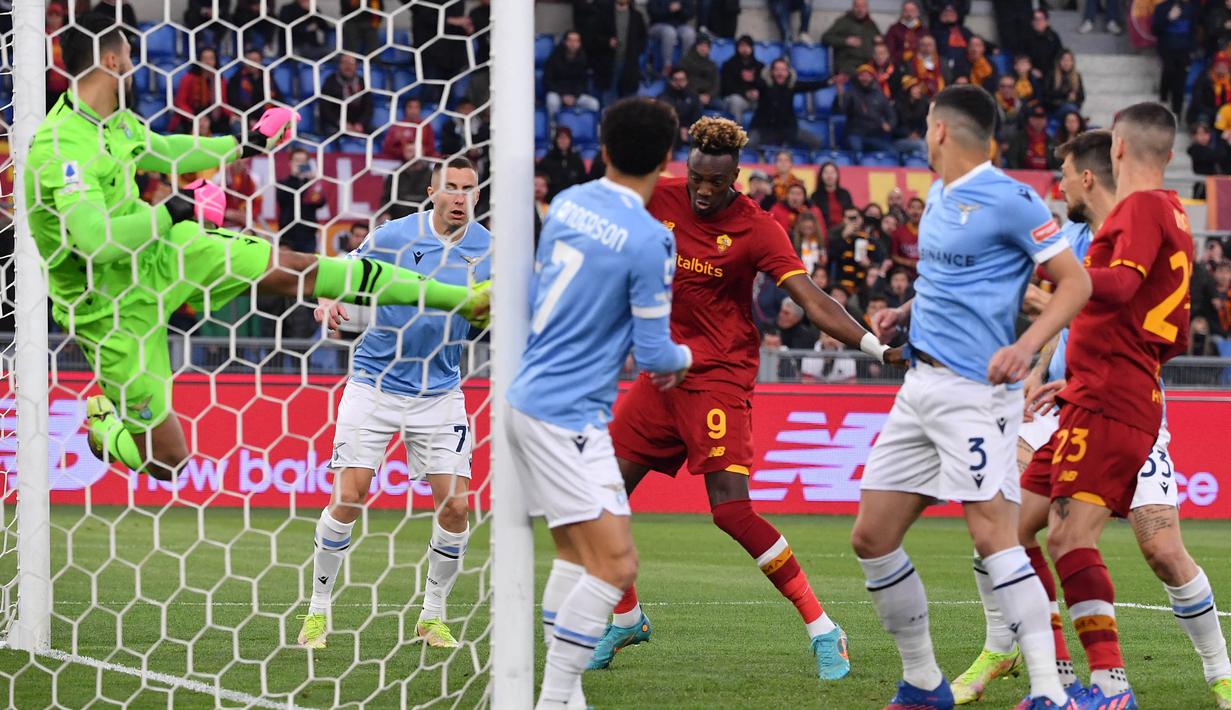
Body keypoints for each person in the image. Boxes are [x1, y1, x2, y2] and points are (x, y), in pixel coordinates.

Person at [29, 14, 489, 482]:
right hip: (108, 310)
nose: (134, 66)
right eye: (128, 57)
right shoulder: (61, 149)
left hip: (162, 255)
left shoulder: (117, 123)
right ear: (112, 61)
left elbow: (163, 151)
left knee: (298, 270)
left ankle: (467, 299)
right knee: (168, 460)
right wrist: (174, 210)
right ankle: (107, 431)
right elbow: (94, 241)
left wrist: (245, 143)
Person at [590, 116, 904, 678]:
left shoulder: (758, 228)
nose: (704, 192)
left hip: (718, 375)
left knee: (731, 510)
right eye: (697, 179)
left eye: (717, 182)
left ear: (737, 176)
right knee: (596, 494)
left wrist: (876, 349)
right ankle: (626, 615)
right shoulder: (658, 195)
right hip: (661, 374)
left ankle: (824, 628)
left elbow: (812, 300)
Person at [952, 128, 1231, 710]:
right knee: (1002, 522)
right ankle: (1032, 662)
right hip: (1071, 393)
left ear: (1090, 174)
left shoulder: (1139, 221)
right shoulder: (1079, 231)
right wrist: (1038, 361)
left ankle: (1213, 671)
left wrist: (1045, 298)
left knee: (1157, 547)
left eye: (1065, 176)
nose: (1057, 189)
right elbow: (1073, 312)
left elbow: (1111, 300)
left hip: (1119, 398)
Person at [850, 84, 1090, 710]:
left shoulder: (1013, 199)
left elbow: (1075, 282)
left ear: (939, 131)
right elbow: (943, 279)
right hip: (919, 386)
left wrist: (1028, 343)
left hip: (977, 395)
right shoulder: (938, 195)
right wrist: (902, 310)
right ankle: (925, 683)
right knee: (871, 536)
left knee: (994, 538)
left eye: (926, 125)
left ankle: (1048, 692)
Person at [506, 97, 691, 710]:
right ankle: (554, 698)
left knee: (573, 553)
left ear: (604, 149)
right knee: (616, 567)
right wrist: (686, 361)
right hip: (567, 416)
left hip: (528, 398)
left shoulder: (567, 202)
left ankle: (567, 694)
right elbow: (655, 352)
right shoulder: (648, 240)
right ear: (668, 161)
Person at [1031, 102, 1203, 710]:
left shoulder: (1139, 209)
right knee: (1011, 525)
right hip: (1095, 389)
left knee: (1070, 538)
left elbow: (1120, 286)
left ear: (1119, 149)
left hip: (1112, 398)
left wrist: (1055, 275)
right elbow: (1167, 327)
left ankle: (1108, 686)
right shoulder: (1175, 214)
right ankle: (1049, 676)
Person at [297, 157, 491, 651]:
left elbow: (495, 311)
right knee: (349, 496)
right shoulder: (392, 237)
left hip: (440, 391)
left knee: (456, 509)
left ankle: (432, 616)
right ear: (431, 190)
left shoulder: (489, 249)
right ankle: (317, 612)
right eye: (451, 187)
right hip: (374, 385)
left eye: (469, 189)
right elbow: (340, 277)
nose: (460, 198)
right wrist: (328, 303)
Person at [748, 59, 826, 149]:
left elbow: (811, 85)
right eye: (777, 70)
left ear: (788, 72)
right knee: (749, 143)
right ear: (771, 72)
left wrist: (829, 82)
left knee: (816, 141)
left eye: (783, 70)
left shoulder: (791, 86)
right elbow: (755, 86)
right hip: (763, 129)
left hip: (788, 130)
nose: (780, 73)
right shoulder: (764, 84)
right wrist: (752, 87)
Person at [588, 0, 649, 103]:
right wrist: (607, 42)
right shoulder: (604, 14)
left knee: (629, 102)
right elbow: (593, 37)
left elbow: (642, 39)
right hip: (608, 65)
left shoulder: (637, 16)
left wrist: (634, 52)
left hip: (629, 66)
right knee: (609, 102)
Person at [276, 146, 329, 253]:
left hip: (308, 235)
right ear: (290, 163)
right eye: (297, 161)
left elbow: (320, 202)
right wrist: (294, 177)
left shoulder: (312, 184)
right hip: (287, 235)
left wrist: (314, 184)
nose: (300, 164)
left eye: (303, 161)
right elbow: (281, 198)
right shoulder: (283, 183)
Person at [836, 64, 896, 154]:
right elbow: (840, 110)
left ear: (872, 78)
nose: (865, 78)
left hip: (875, 135)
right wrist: (840, 96)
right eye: (862, 75)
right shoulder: (851, 93)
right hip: (855, 133)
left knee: (892, 152)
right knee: (856, 150)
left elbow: (891, 115)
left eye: (868, 76)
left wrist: (889, 125)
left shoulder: (880, 95)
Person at [168, 47, 230, 135]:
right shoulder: (188, 79)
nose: (208, 62)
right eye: (205, 59)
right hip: (189, 117)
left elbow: (223, 103)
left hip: (212, 118)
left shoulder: (220, 80)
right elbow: (180, 103)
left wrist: (232, 116)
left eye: (211, 59)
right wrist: (194, 118)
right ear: (199, 61)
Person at [1152, 0, 1198, 118]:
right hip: (1167, 50)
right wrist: (1168, 18)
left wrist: (1192, 49)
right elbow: (1154, 30)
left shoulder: (1191, 8)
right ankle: (1163, 101)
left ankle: (1177, 113)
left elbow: (1193, 30)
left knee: (1180, 84)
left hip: (1184, 51)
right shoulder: (1162, 7)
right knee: (1168, 73)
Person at [544, 30, 602, 121]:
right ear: (565, 42)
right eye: (570, 40)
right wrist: (563, 96)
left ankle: (589, 128)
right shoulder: (554, 58)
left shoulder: (584, 59)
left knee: (593, 104)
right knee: (552, 101)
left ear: (579, 43)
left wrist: (574, 97)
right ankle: (552, 127)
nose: (573, 44)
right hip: (558, 93)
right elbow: (548, 80)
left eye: (576, 41)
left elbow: (584, 82)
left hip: (576, 95)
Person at [226, 48, 284, 132]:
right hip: (243, 118)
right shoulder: (237, 79)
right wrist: (249, 120)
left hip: (265, 119)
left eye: (256, 60)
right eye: (250, 60)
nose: (252, 63)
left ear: (261, 61)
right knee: (237, 126)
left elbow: (277, 100)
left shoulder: (268, 78)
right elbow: (233, 102)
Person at [822, 0, 882, 78]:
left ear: (867, 8)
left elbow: (880, 39)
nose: (860, 9)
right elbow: (826, 38)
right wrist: (846, 41)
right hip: (847, 65)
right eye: (857, 6)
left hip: (867, 64)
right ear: (853, 7)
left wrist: (879, 40)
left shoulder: (870, 24)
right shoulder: (843, 21)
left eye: (863, 6)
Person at [320, 53, 372, 138]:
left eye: (351, 63)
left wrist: (360, 123)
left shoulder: (362, 82)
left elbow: (368, 107)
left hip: (357, 124)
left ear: (356, 66)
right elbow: (325, 108)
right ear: (340, 65)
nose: (348, 67)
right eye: (345, 63)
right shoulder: (330, 82)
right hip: (335, 124)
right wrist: (340, 123)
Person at [827, 206, 877, 293]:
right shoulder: (835, 236)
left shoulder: (869, 238)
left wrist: (870, 264)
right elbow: (832, 257)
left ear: (861, 219)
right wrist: (844, 236)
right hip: (841, 286)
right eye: (850, 218)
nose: (853, 221)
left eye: (855, 217)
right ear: (843, 220)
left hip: (863, 286)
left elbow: (879, 259)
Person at [380, 144, 433, 220]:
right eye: (410, 151)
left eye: (416, 151)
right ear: (404, 153)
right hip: (399, 217)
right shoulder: (395, 173)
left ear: (423, 152)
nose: (414, 154)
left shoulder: (431, 175)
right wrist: (385, 213)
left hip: (423, 218)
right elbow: (386, 197)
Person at [720, 35, 764, 125]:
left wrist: (754, 80)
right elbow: (726, 87)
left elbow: (764, 85)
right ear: (737, 48)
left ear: (752, 48)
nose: (744, 49)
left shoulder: (759, 66)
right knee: (735, 101)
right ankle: (737, 135)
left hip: (754, 100)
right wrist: (745, 93)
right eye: (742, 46)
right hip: (738, 99)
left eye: (747, 46)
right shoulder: (729, 65)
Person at [537, 126, 588, 201]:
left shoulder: (577, 160)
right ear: (556, 140)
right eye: (560, 138)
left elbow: (583, 182)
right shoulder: (547, 160)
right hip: (552, 200)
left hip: (573, 201)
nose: (563, 141)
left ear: (570, 140)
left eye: (566, 138)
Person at [647, 0, 697, 75]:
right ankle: (667, 66)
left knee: (689, 33)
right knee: (669, 32)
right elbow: (652, 11)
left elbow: (691, 13)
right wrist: (668, 9)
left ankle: (684, 66)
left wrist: (680, 9)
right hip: (657, 25)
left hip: (679, 26)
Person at [658, 69, 703, 147]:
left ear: (687, 81)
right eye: (676, 80)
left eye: (682, 80)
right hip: (671, 134)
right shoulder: (663, 98)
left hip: (690, 132)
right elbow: (665, 120)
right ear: (670, 81)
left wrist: (688, 128)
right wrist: (679, 130)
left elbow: (697, 117)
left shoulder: (693, 96)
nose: (679, 83)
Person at [1007, 103, 1059, 171]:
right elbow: (1012, 161)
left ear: (1046, 120)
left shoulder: (1052, 141)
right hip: (1023, 177)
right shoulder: (1018, 138)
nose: (1039, 121)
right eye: (1035, 118)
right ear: (1029, 119)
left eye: (1042, 118)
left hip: (1046, 179)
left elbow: (1057, 165)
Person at [1187, 50, 1231, 127]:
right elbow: (1197, 101)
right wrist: (1213, 113)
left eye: (1225, 65)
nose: (1222, 67)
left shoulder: (1229, 80)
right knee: (1203, 119)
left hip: (1224, 112)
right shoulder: (1204, 77)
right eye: (1219, 65)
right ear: (1214, 65)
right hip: (1205, 112)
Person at [679, 33, 721, 110]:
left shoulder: (712, 65)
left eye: (706, 46)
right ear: (696, 46)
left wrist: (709, 95)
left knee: (721, 106)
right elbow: (682, 81)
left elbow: (716, 84)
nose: (703, 48)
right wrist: (697, 96)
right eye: (701, 45)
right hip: (691, 95)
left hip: (708, 96)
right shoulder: (686, 61)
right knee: (695, 105)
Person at [811, 161, 854, 229]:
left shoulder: (845, 194)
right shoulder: (815, 196)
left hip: (844, 230)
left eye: (832, 172)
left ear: (837, 175)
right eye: (826, 172)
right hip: (824, 231)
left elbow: (851, 212)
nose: (829, 175)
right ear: (821, 176)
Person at [1043, 50, 1085, 117]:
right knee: (1069, 109)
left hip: (1072, 108)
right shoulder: (1052, 75)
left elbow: (1081, 97)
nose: (1066, 63)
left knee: (1071, 111)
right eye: (1064, 60)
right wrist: (1065, 96)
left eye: (1069, 60)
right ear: (1059, 61)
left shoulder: (1077, 76)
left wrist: (1074, 100)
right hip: (1055, 109)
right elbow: (1046, 96)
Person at [894, 76, 930, 154]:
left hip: (919, 137)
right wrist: (908, 134)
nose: (919, 90)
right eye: (915, 88)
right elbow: (894, 127)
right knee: (922, 145)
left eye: (919, 88)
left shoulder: (923, 104)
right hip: (901, 139)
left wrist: (919, 134)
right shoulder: (898, 106)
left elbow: (925, 125)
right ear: (908, 90)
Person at [885, 0, 928, 65]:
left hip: (920, 64)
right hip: (899, 64)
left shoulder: (923, 30)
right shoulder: (894, 29)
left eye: (912, 11)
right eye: (906, 11)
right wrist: (902, 56)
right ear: (902, 12)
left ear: (918, 12)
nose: (909, 14)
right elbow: (889, 50)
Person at [1024, 9, 1063, 79]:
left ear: (1047, 22)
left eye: (1041, 19)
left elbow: (1059, 56)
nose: (1038, 22)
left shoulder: (1054, 37)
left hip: (1051, 74)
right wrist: (1031, 69)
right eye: (1035, 19)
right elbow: (1022, 57)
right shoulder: (1026, 37)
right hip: (1032, 74)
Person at [891, 195, 922, 277]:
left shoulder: (931, 232)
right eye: (912, 207)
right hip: (905, 275)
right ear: (907, 210)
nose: (915, 211)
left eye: (919, 208)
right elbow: (893, 256)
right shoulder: (898, 232)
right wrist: (909, 263)